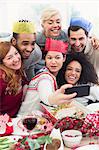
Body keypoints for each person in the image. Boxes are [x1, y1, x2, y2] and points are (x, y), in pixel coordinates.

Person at [18, 38, 77, 115]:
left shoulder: (51, 75)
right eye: (49, 58)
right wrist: (52, 99)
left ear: (64, 58)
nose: (53, 62)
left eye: (57, 57)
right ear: (45, 59)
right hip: (25, 120)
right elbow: (46, 96)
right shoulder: (44, 77)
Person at [0, 42, 28, 117]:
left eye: (16, 53)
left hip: (15, 117)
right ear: (1, 62)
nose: (16, 59)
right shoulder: (1, 79)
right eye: (9, 58)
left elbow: (26, 83)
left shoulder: (17, 71)